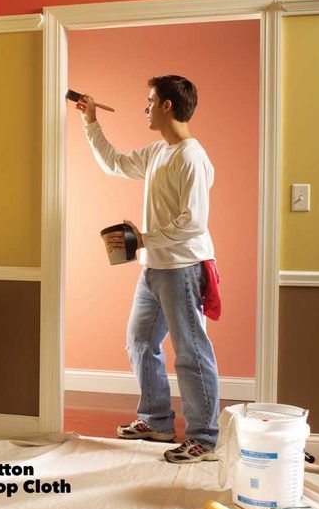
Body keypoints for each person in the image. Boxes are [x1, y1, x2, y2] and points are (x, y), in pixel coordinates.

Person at [77, 75, 220, 463]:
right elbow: (116, 164)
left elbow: (194, 222)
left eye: (150, 100)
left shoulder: (191, 157)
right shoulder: (160, 152)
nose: (146, 107)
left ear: (168, 106)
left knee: (190, 352)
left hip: (183, 268)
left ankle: (204, 438)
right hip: (154, 268)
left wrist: (142, 239)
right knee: (140, 342)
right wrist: (91, 121)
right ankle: (156, 420)